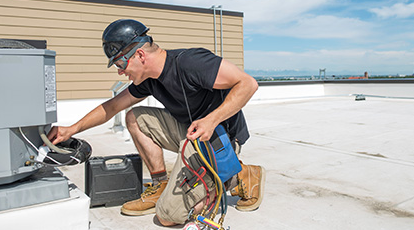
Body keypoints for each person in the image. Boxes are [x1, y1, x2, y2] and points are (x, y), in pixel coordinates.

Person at [48, 19, 265, 226]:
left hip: (219, 138)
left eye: (120, 62)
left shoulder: (190, 62)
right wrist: (72, 128)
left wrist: (211, 120)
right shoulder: (149, 80)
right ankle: (161, 185)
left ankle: (240, 174)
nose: (120, 71)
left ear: (140, 54)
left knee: (169, 216)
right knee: (135, 117)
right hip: (191, 134)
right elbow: (112, 107)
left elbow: (247, 83)